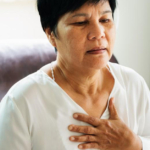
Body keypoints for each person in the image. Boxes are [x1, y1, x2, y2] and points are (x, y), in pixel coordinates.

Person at [0, 0, 150, 149]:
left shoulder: (133, 84)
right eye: (81, 22)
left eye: (105, 20)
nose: (98, 33)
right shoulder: (20, 102)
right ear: (51, 34)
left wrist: (135, 144)